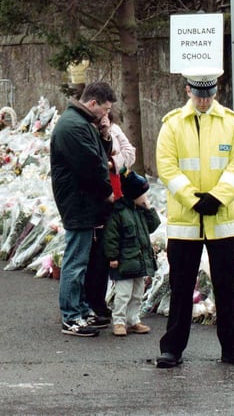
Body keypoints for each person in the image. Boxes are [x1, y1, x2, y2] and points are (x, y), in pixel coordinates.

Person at [155, 67, 234, 368]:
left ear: (216, 92)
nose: (204, 101)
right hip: (186, 222)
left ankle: (233, 347)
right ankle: (172, 348)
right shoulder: (172, 125)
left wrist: (218, 197)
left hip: (222, 220)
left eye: (209, 95)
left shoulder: (232, 124)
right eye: (199, 95)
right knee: (181, 286)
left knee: (226, 286)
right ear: (188, 91)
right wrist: (192, 199)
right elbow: (167, 167)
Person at [50, 82, 117, 337]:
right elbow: (92, 166)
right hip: (78, 201)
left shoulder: (82, 123)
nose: (106, 114)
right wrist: (106, 191)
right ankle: (71, 315)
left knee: (82, 258)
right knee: (76, 261)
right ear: (93, 103)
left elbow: (102, 155)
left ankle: (80, 309)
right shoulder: (73, 126)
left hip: (84, 201)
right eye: (105, 109)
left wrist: (105, 133)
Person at [83, 109, 136, 319]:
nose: (105, 114)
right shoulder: (85, 131)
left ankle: (101, 301)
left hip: (115, 192)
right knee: (93, 254)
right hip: (96, 196)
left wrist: (113, 163)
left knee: (108, 249)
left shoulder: (114, 130)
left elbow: (130, 154)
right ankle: (90, 302)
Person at [103, 168, 160, 336]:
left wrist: (148, 208)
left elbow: (153, 226)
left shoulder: (141, 212)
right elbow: (111, 236)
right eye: (143, 195)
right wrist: (112, 256)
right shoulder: (119, 213)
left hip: (139, 261)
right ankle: (119, 321)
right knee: (123, 294)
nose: (146, 198)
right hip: (125, 262)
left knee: (137, 294)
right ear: (133, 195)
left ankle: (134, 319)